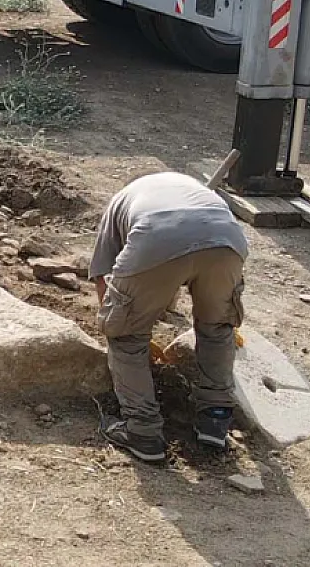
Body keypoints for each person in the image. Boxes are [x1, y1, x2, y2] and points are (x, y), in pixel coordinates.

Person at [90, 171, 248, 463]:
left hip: (156, 235)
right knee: (217, 327)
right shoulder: (189, 188)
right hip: (227, 239)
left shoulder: (118, 205)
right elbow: (190, 262)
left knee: (125, 337)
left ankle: (142, 432)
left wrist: (122, 325)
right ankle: (214, 420)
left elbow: (103, 277)